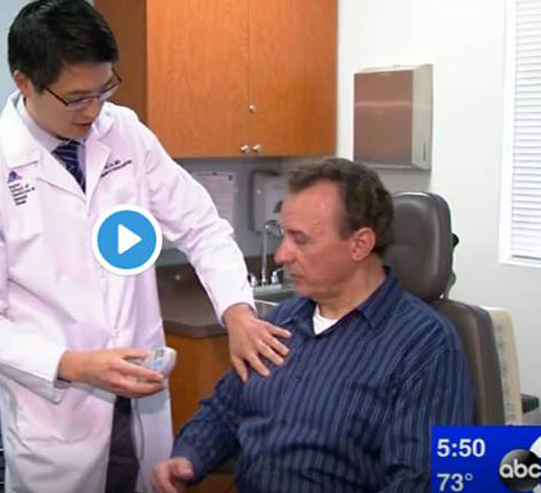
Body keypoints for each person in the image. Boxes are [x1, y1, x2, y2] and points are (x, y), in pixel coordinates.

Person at [0, 0, 290, 493]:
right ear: (24, 82)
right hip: (58, 417)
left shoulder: (124, 132)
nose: (94, 110)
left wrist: (236, 311)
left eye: (104, 90)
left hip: (141, 398)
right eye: (77, 98)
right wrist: (75, 365)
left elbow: (201, 226)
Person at [152, 157, 474, 493]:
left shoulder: (425, 346)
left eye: (300, 240)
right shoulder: (281, 322)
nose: (281, 255)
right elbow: (224, 411)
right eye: (283, 235)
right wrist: (189, 457)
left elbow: (417, 480)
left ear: (360, 244)